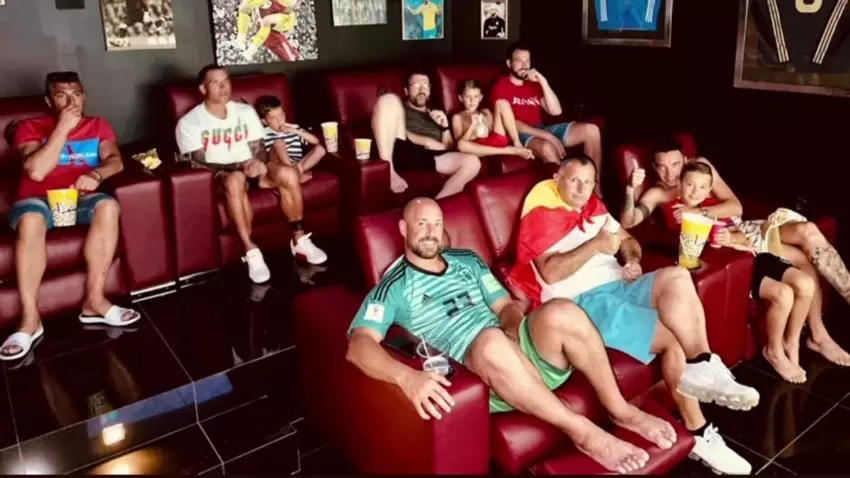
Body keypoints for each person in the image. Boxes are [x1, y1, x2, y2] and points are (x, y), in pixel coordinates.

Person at [348, 197, 685, 474]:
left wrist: (511, 329)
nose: (430, 232)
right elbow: (359, 344)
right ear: (403, 229)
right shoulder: (393, 287)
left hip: (517, 347)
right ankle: (584, 433)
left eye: (436, 224)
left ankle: (620, 409)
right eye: (421, 224)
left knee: (562, 310)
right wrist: (407, 378)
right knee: (490, 342)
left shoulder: (467, 260)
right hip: (482, 372)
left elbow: (506, 306)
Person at [507, 156, 758, 474]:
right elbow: (551, 272)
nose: (582, 189)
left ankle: (704, 363)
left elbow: (628, 240)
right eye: (574, 180)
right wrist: (596, 245)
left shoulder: (593, 206)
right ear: (558, 177)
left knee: (678, 276)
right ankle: (699, 431)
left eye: (588, 182)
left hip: (621, 283)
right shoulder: (543, 211)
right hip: (586, 301)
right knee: (672, 337)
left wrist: (632, 260)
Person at [623, 140, 850, 367]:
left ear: (685, 159)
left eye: (675, 164)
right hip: (728, 241)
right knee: (804, 258)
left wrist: (699, 211)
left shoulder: (701, 168)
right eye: (662, 167)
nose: (670, 173)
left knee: (808, 231)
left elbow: (735, 206)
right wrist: (630, 189)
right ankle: (818, 336)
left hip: (745, 228)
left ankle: (826, 324)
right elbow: (628, 221)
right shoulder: (658, 193)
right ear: (654, 168)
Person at [0, 71, 142, 362]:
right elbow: (36, 171)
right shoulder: (29, 127)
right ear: (48, 100)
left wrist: (96, 174)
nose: (71, 102)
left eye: (76, 94)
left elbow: (115, 160)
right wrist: (63, 128)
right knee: (31, 220)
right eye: (62, 96)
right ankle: (30, 320)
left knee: (108, 207)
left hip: (80, 198)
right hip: (37, 200)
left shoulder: (98, 125)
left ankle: (95, 302)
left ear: (84, 96)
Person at [175, 65, 327, 284]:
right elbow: (199, 163)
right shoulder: (189, 122)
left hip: (252, 168)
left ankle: (299, 240)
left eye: (226, 81)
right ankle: (251, 251)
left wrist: (259, 163)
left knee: (288, 174)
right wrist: (240, 165)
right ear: (203, 89)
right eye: (216, 82)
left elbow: (259, 149)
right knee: (236, 179)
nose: (223, 87)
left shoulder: (245, 112)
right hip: (224, 173)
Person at [677, 163, 813, 383]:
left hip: (755, 253)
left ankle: (792, 343)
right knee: (784, 294)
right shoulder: (679, 212)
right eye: (690, 185)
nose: (695, 192)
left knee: (806, 284)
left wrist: (732, 237)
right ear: (680, 184)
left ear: (709, 189)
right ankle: (774, 351)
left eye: (702, 187)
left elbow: (741, 231)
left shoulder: (713, 207)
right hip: (739, 263)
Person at [490, 42, 602, 178]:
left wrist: (543, 82)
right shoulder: (501, 85)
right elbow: (511, 122)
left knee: (591, 130)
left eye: (527, 61)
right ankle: (565, 186)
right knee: (546, 147)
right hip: (521, 133)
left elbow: (556, 111)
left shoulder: (533, 85)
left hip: (542, 128)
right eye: (519, 61)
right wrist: (547, 135)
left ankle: (594, 186)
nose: (524, 65)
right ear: (509, 63)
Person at [371, 70, 481, 198]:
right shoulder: (399, 107)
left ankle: (437, 204)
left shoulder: (437, 113)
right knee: (387, 99)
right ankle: (389, 171)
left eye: (425, 85)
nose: (422, 89)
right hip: (405, 148)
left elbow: (449, 148)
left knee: (473, 162)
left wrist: (445, 128)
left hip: (428, 156)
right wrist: (427, 141)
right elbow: (387, 127)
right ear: (406, 91)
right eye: (416, 85)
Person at [450, 79, 533, 160]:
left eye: (476, 96)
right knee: (461, 145)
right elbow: (459, 145)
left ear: (480, 98)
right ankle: (509, 150)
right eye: (468, 97)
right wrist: (472, 126)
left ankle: (517, 143)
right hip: (477, 148)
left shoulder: (485, 112)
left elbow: (493, 131)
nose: (472, 100)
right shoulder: (458, 117)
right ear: (461, 98)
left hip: (493, 141)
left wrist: (488, 125)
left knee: (501, 103)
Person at [255, 95, 326, 183]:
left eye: (281, 115)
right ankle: (294, 174)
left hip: (297, 165)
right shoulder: (262, 133)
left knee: (320, 149)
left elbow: (316, 141)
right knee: (279, 142)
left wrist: (295, 131)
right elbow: (260, 156)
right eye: (273, 118)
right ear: (265, 121)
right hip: (277, 166)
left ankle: (296, 172)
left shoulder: (293, 128)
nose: (279, 121)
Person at [235, 0, 302, 62]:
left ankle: (247, 50)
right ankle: (241, 41)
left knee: (267, 22)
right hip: (269, 21)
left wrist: (283, 14)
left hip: (283, 17)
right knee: (245, 8)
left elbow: (290, 7)